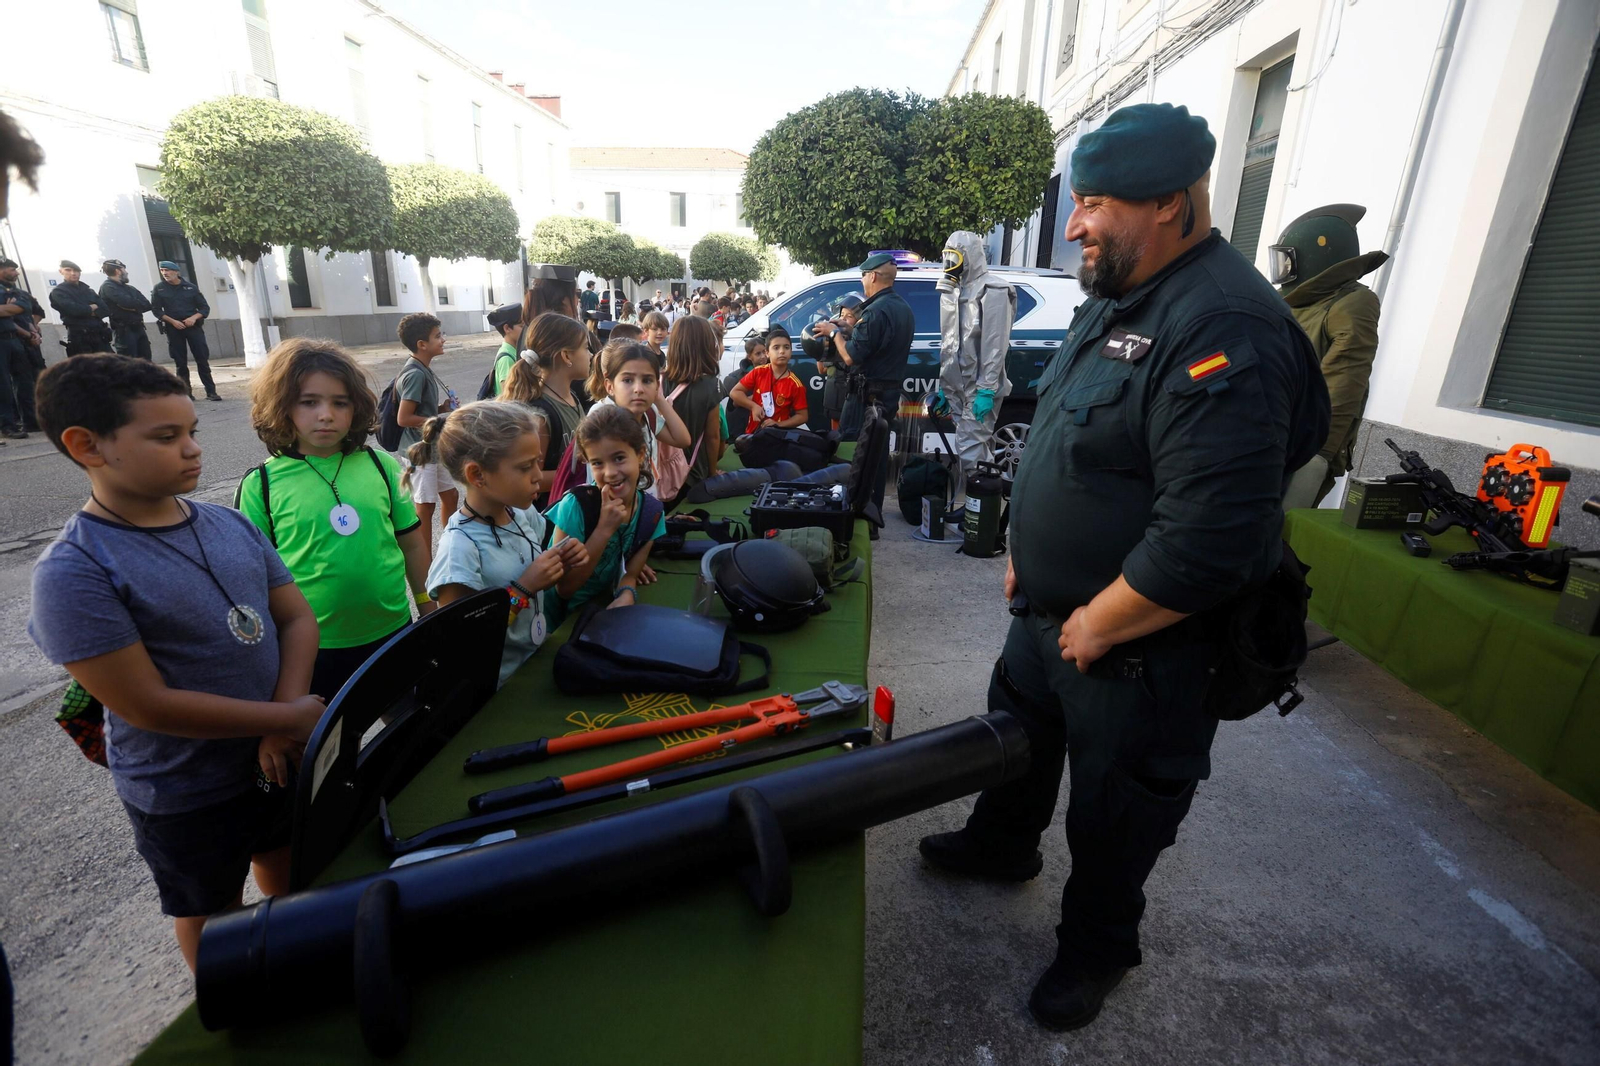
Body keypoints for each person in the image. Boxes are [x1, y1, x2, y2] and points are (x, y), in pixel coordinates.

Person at [916, 103, 1329, 1032]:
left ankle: (1097, 948)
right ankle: (1002, 844)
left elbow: (1210, 537)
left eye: (1095, 202)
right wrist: (1024, 542)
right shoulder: (1121, 291)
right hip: (1048, 619)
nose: (1074, 224)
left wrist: (1099, 621)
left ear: (1173, 205)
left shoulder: (1225, 325)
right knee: (1015, 746)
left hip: (1139, 646)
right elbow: (1065, 427)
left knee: (1116, 812)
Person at [26, 354, 325, 971]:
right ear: (87, 445)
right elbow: (147, 704)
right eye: (166, 437)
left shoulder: (229, 523)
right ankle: (232, 1007)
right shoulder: (76, 571)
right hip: (184, 787)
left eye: (191, 430)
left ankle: (294, 960)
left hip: (274, 752)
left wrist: (281, 719)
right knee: (210, 910)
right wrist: (284, 716)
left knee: (288, 862)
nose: (193, 450)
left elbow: (295, 619)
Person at [236, 339, 434, 701]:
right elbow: (253, 579)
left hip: (391, 631)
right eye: (309, 402)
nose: (326, 414)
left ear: (356, 407)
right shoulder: (260, 485)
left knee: (405, 729)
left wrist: (427, 605)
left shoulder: (381, 465)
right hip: (311, 648)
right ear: (282, 406)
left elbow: (410, 542)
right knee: (325, 747)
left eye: (339, 403)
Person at [423, 401, 588, 686]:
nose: (539, 475)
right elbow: (461, 643)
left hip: (534, 666)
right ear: (477, 475)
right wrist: (523, 589)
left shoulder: (521, 514)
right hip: (493, 692)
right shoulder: (460, 551)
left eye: (537, 462)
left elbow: (535, 564)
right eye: (526, 467)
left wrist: (562, 559)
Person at [1270, 204, 1387, 508]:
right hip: (1267, 434)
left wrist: (1317, 457)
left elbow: (1344, 382)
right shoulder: (1294, 302)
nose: (1282, 270)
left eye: (1288, 260)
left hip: (1301, 445)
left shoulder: (1352, 303)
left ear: (1317, 255)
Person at [812, 252, 914, 526]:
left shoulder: (875, 311)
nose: (863, 281)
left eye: (863, 277)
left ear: (871, 276)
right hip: (887, 395)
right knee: (877, 458)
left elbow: (851, 357)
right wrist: (846, 326)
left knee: (853, 453)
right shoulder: (901, 307)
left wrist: (834, 334)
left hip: (866, 397)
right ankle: (872, 514)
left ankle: (856, 514)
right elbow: (878, 340)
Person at [545, 403, 667, 621]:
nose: (610, 473)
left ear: (640, 454)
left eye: (619, 458)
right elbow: (564, 589)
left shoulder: (652, 514)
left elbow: (630, 573)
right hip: (554, 623)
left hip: (597, 613)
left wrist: (627, 592)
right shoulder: (576, 506)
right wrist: (604, 530)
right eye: (598, 463)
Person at [935, 231, 1016, 506]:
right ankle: (980, 511)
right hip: (959, 387)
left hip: (981, 388)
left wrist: (986, 389)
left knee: (970, 451)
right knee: (978, 449)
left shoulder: (993, 290)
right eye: (947, 256)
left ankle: (979, 513)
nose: (950, 263)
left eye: (955, 256)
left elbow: (994, 345)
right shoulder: (953, 292)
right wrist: (945, 387)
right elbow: (949, 344)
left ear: (969, 256)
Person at [499, 311, 592, 509]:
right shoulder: (540, 416)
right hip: (550, 517)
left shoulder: (571, 397)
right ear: (566, 356)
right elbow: (531, 479)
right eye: (585, 348)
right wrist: (588, 472)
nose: (591, 355)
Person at [585, 339, 691, 497]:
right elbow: (604, 483)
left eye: (647, 380)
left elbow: (682, 440)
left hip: (647, 502)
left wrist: (660, 400)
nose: (639, 389)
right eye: (627, 380)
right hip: (617, 511)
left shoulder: (648, 412)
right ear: (610, 386)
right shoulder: (602, 418)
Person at [393, 312, 459, 567]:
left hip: (432, 449)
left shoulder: (423, 369)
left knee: (451, 496)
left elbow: (420, 412)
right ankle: (425, 564)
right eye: (437, 336)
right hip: (420, 453)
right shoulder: (415, 373)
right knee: (425, 506)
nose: (443, 339)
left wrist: (440, 409)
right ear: (422, 344)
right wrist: (439, 420)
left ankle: (449, 550)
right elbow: (404, 418)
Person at [661, 315, 726, 504]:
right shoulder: (711, 385)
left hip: (660, 472)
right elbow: (712, 436)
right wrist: (712, 473)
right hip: (693, 473)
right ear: (706, 344)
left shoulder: (657, 380)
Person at [150, 261, 218, 401]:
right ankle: (185, 393)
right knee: (180, 362)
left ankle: (211, 392)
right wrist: (172, 321)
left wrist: (194, 318)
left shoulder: (190, 288)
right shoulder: (159, 288)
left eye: (167, 270)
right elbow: (156, 310)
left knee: (202, 359)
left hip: (193, 327)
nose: (165, 273)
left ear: (177, 272)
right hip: (173, 328)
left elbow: (204, 308)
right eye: (162, 270)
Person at [802, 292, 862, 432]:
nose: (844, 320)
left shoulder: (857, 345)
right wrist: (820, 348)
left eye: (850, 316)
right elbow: (822, 370)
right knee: (836, 436)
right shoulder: (833, 341)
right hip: (833, 399)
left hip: (851, 400)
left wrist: (838, 336)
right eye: (842, 316)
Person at [730, 325, 808, 431]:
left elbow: (803, 416)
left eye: (786, 347)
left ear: (791, 351)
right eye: (776, 347)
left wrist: (778, 424)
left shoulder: (795, 384)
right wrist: (753, 406)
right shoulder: (758, 372)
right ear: (767, 353)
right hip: (753, 433)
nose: (781, 351)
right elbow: (735, 392)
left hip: (778, 437)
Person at [0, 257, 45, 436]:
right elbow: (13, 309)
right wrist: (7, 308)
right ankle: (7, 425)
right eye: (12, 269)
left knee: (25, 381)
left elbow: (23, 307)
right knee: (3, 384)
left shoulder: (15, 291)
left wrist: (5, 309)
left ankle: (30, 421)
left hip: (14, 340)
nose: (16, 273)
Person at [49, 259, 112, 356]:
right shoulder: (58, 292)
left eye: (76, 271)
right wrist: (92, 307)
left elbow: (105, 310)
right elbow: (75, 311)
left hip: (100, 335)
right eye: (68, 270)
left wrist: (85, 310)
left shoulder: (88, 290)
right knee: (86, 368)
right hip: (80, 337)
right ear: (61, 271)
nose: (73, 273)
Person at [99, 259, 153, 361]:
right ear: (118, 271)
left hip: (139, 327)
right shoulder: (107, 287)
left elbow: (147, 305)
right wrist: (134, 305)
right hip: (123, 331)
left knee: (146, 362)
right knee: (129, 363)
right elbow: (126, 302)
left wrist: (131, 306)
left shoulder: (130, 288)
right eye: (124, 269)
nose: (126, 272)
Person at [722, 332, 768, 440]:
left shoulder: (777, 373)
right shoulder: (734, 378)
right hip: (744, 431)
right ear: (749, 357)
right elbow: (734, 405)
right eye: (758, 354)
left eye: (764, 352)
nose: (763, 356)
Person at [521, 263, 581, 330]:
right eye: (576, 293)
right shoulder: (569, 334)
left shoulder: (531, 329)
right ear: (564, 300)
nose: (577, 300)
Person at [486, 302, 524, 398]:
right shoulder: (506, 358)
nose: (526, 330)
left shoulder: (515, 352)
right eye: (522, 326)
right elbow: (509, 397)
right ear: (507, 328)